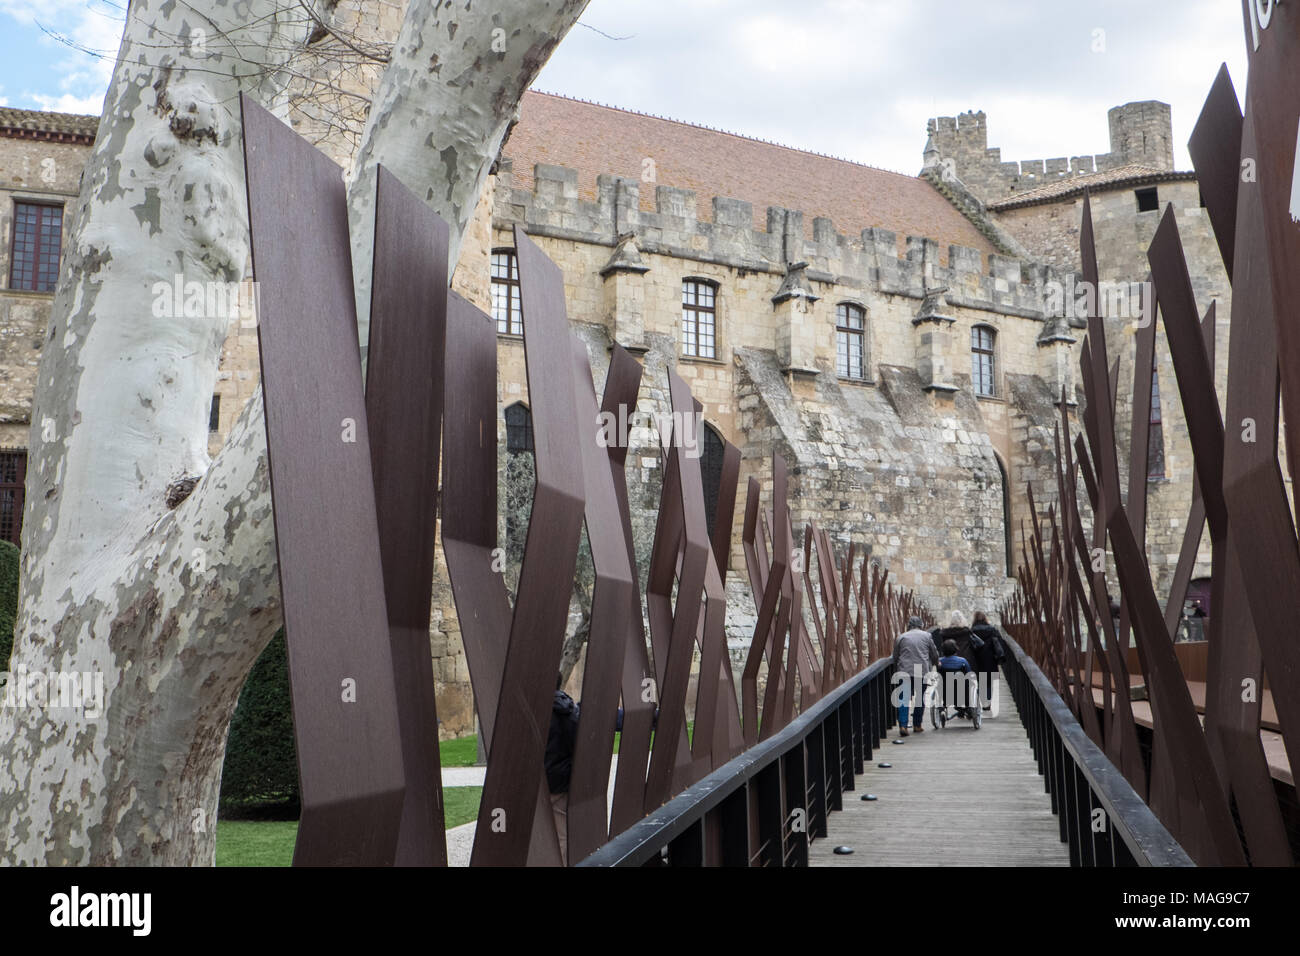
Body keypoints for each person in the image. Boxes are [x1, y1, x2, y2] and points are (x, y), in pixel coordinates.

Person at [546, 673, 581, 866]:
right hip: (561, 779)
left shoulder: (537, 709)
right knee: (561, 834)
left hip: (540, 782)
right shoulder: (570, 710)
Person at [891, 615, 939, 736]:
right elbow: (934, 653)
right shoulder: (927, 636)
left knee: (904, 698)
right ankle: (917, 725)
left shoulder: (901, 637)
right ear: (921, 625)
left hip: (904, 670)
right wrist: (935, 663)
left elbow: (895, 656)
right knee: (919, 698)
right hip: (921, 670)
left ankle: (903, 725)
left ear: (909, 625)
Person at [969, 610, 1005, 711]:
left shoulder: (972, 631)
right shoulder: (992, 629)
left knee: (980, 681)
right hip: (990, 658)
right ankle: (987, 703)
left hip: (977, 659)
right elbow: (998, 643)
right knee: (989, 682)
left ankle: (981, 700)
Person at [936, 638, 975, 718]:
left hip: (946, 691)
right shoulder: (962, 661)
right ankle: (967, 707)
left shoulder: (940, 662)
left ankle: (943, 708)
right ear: (955, 649)